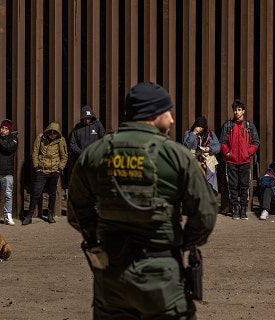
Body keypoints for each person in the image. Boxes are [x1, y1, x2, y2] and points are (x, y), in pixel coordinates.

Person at [67, 82, 217, 319]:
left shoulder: (95, 154)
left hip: (111, 276)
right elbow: (205, 214)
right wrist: (182, 243)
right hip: (163, 277)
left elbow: (76, 209)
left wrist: (99, 236)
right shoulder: (176, 156)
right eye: (168, 112)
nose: (172, 120)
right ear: (154, 114)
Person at [219, 99, 260, 220]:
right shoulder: (228, 125)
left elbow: (256, 142)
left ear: (243, 111)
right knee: (232, 185)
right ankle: (235, 209)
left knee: (244, 185)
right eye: (235, 110)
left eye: (239, 110)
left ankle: (243, 208)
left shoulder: (249, 126)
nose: (237, 112)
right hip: (231, 161)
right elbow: (222, 141)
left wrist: (248, 152)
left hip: (245, 161)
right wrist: (227, 153)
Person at [22, 122, 68, 225]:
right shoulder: (40, 138)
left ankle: (50, 215)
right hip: (41, 171)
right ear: (47, 132)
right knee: (35, 193)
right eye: (51, 134)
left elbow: (64, 156)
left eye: (54, 134)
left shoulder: (61, 140)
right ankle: (29, 216)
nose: (52, 136)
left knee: (52, 194)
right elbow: (35, 153)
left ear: (57, 134)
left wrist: (59, 169)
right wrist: (36, 167)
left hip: (54, 171)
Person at [182, 116, 221, 193]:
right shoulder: (189, 133)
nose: (200, 129)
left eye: (202, 127)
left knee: (208, 185)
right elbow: (186, 146)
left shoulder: (210, 134)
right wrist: (194, 133)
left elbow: (218, 147)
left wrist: (209, 148)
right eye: (199, 126)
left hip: (207, 162)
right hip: (194, 162)